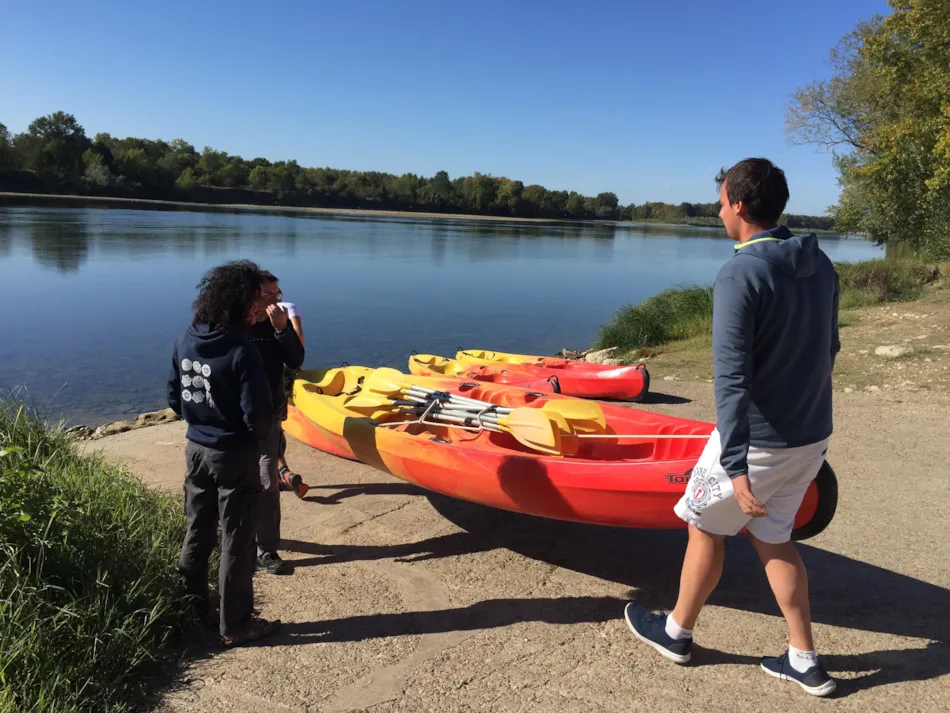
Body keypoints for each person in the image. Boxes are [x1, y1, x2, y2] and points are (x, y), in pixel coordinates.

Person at [623, 158, 841, 697]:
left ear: (739, 204)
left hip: (758, 444)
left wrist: (737, 465)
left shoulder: (740, 272)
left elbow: (732, 377)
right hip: (808, 438)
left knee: (705, 527)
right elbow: (829, 349)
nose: (718, 211)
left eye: (722, 201)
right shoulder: (823, 265)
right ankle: (804, 659)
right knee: (774, 538)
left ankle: (676, 632)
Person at [167, 260, 281, 647]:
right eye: (254, 300)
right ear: (239, 303)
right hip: (233, 455)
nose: (259, 308)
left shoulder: (186, 337)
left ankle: (191, 608)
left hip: (196, 449)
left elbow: (173, 395)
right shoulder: (242, 351)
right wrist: (247, 436)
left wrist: (202, 422)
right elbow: (260, 418)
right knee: (237, 538)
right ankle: (236, 624)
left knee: (197, 528)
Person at [247, 270, 305, 575]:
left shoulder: (276, 324)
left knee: (268, 483)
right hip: (235, 424)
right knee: (233, 484)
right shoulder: (233, 325)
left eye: (278, 294)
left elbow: (296, 360)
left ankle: (266, 550)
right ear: (253, 297)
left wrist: (282, 329)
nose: (277, 300)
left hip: (269, 419)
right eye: (270, 295)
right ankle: (231, 538)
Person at [273, 292, 309, 499]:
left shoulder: (247, 313)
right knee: (275, 425)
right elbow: (300, 338)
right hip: (283, 369)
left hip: (263, 373)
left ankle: (281, 473)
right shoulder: (288, 307)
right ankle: (283, 471)